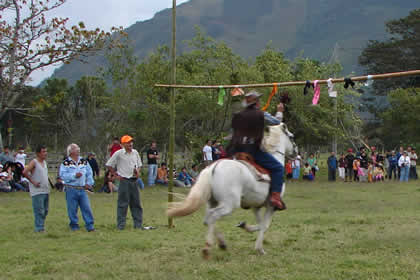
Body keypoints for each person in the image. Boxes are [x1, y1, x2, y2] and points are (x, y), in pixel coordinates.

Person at [227, 90, 286, 210]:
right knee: (278, 168)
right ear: (256, 103)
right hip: (252, 150)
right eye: (258, 100)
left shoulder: (238, 115)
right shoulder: (261, 114)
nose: (259, 102)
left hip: (236, 150)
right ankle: (275, 197)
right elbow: (276, 122)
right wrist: (279, 112)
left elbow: (232, 134)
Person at [106, 135, 144, 230]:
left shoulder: (135, 153)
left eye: (131, 142)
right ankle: (121, 226)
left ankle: (138, 225)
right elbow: (109, 164)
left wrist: (138, 171)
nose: (130, 144)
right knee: (123, 204)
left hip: (134, 180)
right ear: (123, 144)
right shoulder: (119, 153)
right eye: (128, 142)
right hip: (124, 181)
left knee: (136, 204)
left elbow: (139, 165)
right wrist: (115, 175)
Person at [59, 143, 95, 232]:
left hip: (82, 189)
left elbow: (89, 173)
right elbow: (63, 176)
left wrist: (89, 183)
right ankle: (74, 226)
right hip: (71, 188)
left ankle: (90, 226)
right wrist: (74, 175)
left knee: (86, 208)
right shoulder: (65, 163)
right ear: (70, 152)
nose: (78, 149)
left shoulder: (84, 161)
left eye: (78, 148)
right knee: (72, 209)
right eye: (75, 148)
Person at [23, 145, 49, 232]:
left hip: (45, 190)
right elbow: (25, 172)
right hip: (37, 191)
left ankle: (41, 225)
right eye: (43, 152)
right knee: (39, 210)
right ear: (38, 153)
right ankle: (39, 228)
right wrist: (33, 181)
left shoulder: (44, 162)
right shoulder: (34, 162)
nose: (45, 153)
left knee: (45, 210)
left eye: (46, 151)